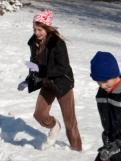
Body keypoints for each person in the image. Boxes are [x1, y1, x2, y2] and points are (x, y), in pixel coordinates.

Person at [18, 10, 82, 151]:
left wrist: (43, 71)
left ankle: (77, 151)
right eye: (35, 29)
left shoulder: (57, 43)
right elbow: (34, 65)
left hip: (62, 84)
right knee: (39, 114)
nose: (37, 33)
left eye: (40, 29)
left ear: (47, 28)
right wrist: (28, 80)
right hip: (46, 83)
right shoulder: (34, 43)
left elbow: (63, 68)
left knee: (70, 123)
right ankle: (54, 126)